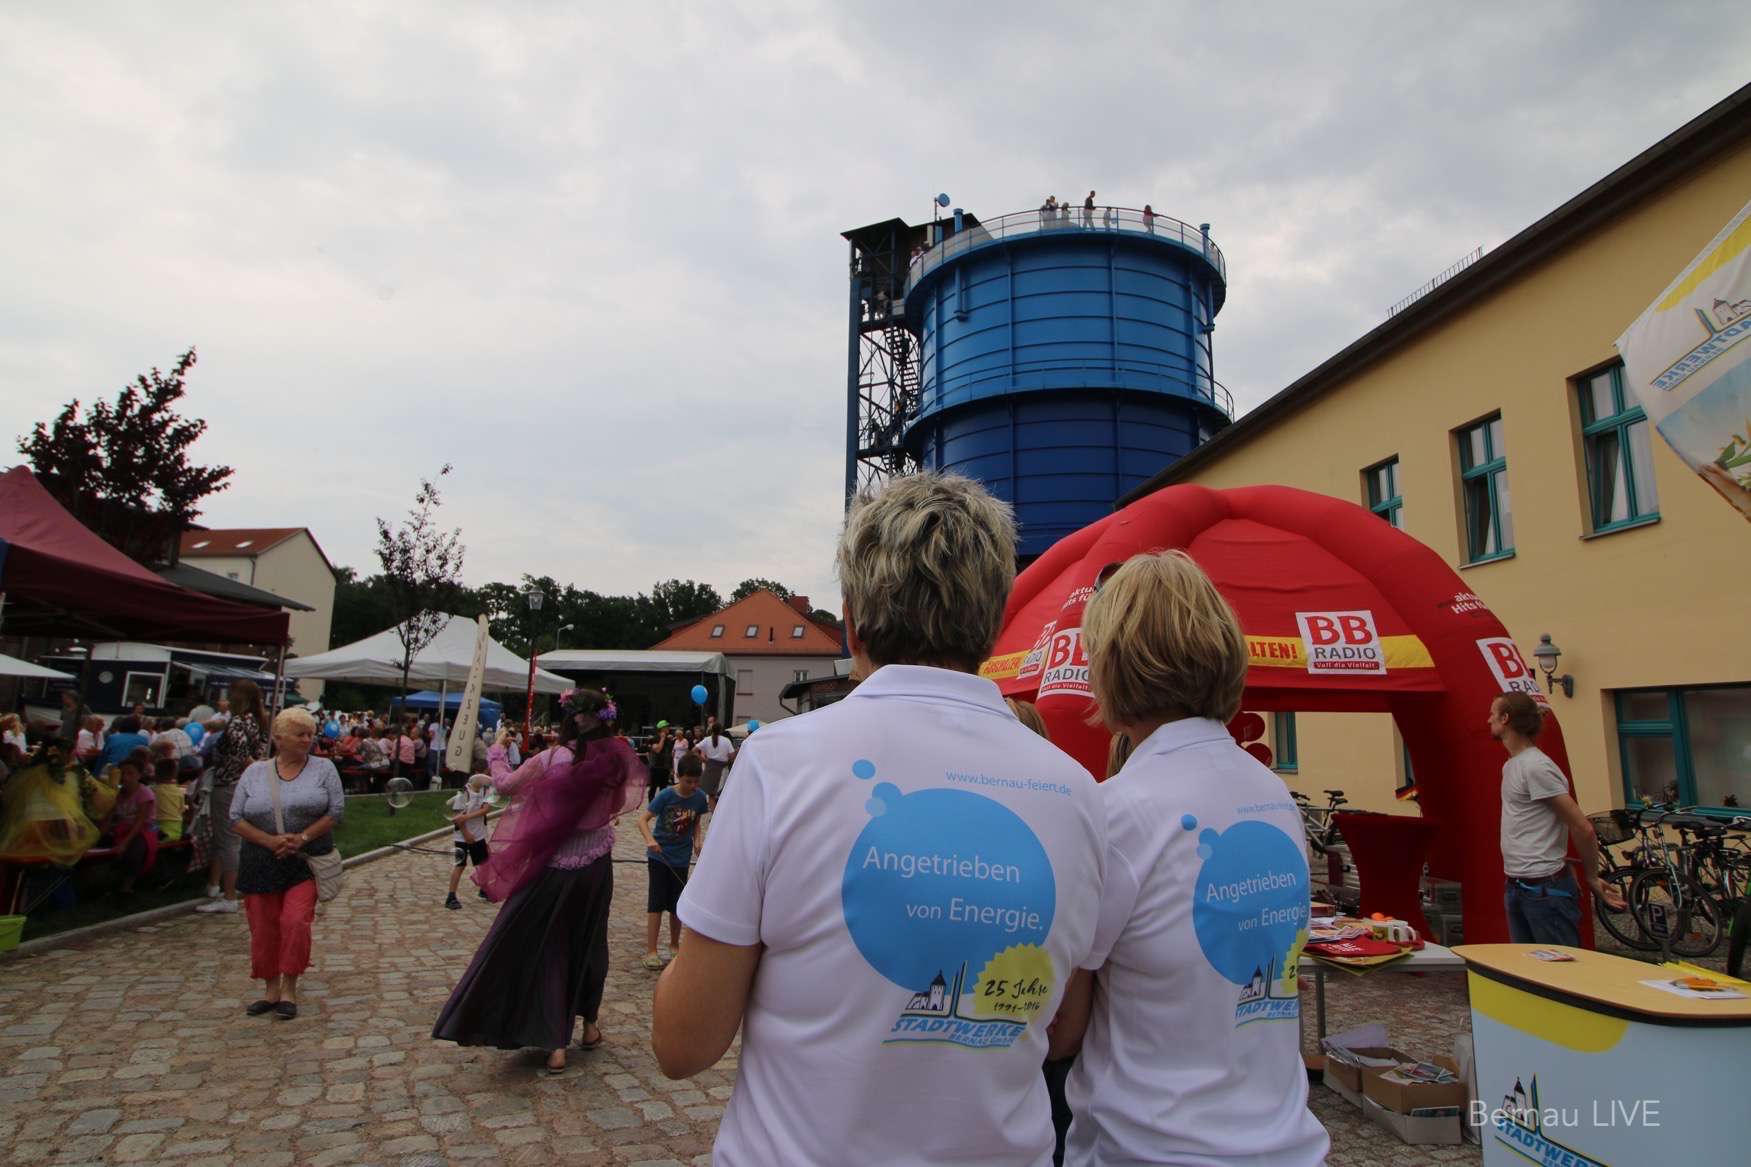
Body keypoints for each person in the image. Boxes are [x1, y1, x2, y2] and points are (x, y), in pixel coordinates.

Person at [652, 471, 1107, 1165]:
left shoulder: (779, 763)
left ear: (852, 618)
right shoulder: (1078, 793)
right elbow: (1063, 1029)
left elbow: (684, 1044)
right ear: (993, 618)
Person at [1050, 551, 1329, 1166]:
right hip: (1283, 1140)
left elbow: (1064, 1026)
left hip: (1153, 1145)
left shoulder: (1115, 812)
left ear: (1111, 664)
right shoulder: (1273, 796)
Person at [433, 689, 644, 1078]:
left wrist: (497, 752)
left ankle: (555, 1042)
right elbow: (615, 806)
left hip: (556, 867)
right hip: (597, 866)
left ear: (568, 719)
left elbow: (507, 785)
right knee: (590, 941)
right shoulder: (615, 758)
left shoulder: (551, 758)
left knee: (549, 946)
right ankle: (590, 1026)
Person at [227, 706, 344, 1020]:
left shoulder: (323, 769)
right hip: (260, 860)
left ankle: (290, 986)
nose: (307, 739)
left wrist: (301, 838)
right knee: (263, 927)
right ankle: (270, 988)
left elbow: (336, 811)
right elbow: (236, 817)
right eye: (300, 734)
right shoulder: (255, 773)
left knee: (295, 922)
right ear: (279, 738)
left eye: (310, 734)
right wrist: (269, 841)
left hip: (305, 860)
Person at [1491, 691, 1624, 943]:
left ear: (1506, 718)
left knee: (1556, 974)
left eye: (1492, 714)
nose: (1489, 720)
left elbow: (1581, 826)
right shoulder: (1512, 765)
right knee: (1525, 974)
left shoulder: (1536, 767)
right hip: (1519, 885)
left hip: (1545, 890)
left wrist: (1591, 877)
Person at [195, 680, 270, 915]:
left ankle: (229, 894)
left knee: (228, 840)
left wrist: (255, 772)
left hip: (228, 782)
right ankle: (214, 885)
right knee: (224, 837)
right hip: (243, 784)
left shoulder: (238, 722)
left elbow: (241, 753)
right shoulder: (259, 722)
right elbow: (260, 750)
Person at [639, 753, 707, 970]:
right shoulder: (666, 795)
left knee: (676, 904)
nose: (693, 786)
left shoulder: (699, 798)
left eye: (696, 781)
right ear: (678, 776)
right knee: (656, 902)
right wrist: (650, 840)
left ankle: (674, 944)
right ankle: (651, 950)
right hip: (659, 856)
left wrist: (697, 841)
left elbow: (696, 822)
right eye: (688, 781)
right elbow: (643, 820)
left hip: (681, 857)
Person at [104, 755, 157, 895]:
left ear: (139, 775)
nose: (125, 777)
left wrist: (124, 843)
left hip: (143, 830)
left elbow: (140, 821)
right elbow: (111, 814)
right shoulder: (120, 793)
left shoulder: (144, 793)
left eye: (130, 773)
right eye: (122, 773)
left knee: (135, 851)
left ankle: (127, 886)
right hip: (123, 828)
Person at [445, 773, 492, 909]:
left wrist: (467, 816)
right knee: (460, 865)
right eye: (484, 776)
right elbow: (458, 818)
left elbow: (486, 809)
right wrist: (466, 834)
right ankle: (451, 896)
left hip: (479, 834)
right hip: (462, 836)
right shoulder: (462, 795)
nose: (487, 779)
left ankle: (483, 889)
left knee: (482, 863)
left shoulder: (485, 791)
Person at [694, 724, 736, 806]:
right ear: (721, 730)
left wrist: (704, 760)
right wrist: (729, 760)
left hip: (710, 768)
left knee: (711, 794)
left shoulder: (707, 740)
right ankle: (716, 813)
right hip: (723, 768)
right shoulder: (726, 740)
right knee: (720, 793)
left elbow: (694, 750)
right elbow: (732, 755)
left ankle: (712, 814)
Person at [150, 756, 187, 841]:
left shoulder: (151, 790)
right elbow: (181, 810)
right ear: (175, 774)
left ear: (155, 773)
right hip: (177, 830)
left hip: (157, 830)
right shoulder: (179, 791)